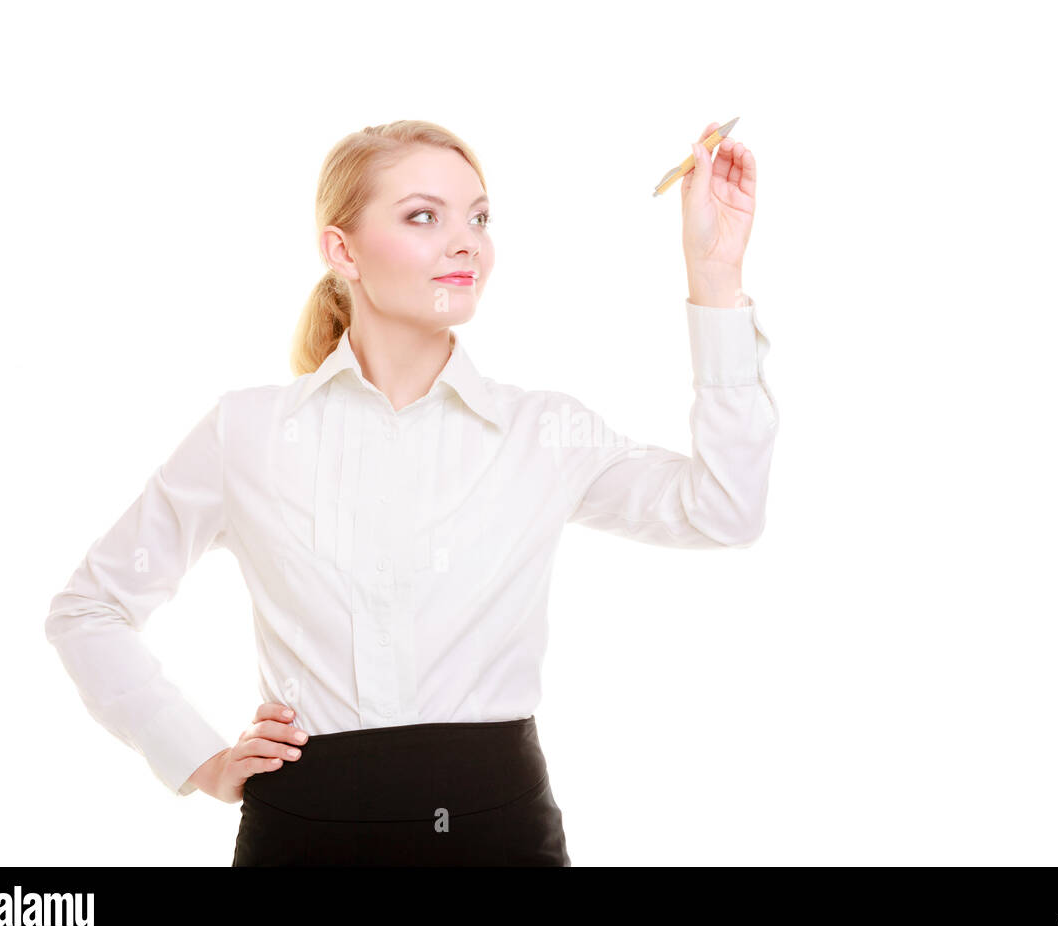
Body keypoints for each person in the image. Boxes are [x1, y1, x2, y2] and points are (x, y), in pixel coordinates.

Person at [44, 119, 778, 866]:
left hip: (502, 838)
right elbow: (89, 611)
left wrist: (714, 280)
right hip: (302, 837)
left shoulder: (543, 433)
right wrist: (196, 758)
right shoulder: (249, 432)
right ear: (342, 250)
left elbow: (725, 510)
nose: (467, 242)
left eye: (479, 218)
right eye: (424, 216)